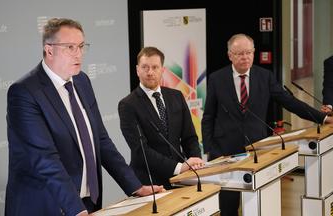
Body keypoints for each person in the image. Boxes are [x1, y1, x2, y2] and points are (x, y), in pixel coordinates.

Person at [4, 18, 164, 216]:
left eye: (81, 46)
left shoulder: (82, 81)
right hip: (47, 206)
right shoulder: (25, 92)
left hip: (87, 203)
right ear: (49, 50)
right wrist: (77, 210)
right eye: (70, 47)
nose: (78, 54)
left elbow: (102, 141)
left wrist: (135, 186)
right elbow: (44, 159)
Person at [201, 33, 333, 216]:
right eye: (239, 53)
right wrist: (211, 150)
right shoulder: (217, 79)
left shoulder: (265, 76)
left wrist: (323, 118)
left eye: (248, 52)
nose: (245, 57)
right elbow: (208, 117)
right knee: (229, 206)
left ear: (254, 53)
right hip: (225, 152)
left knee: (259, 203)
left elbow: (290, 102)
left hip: (259, 149)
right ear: (230, 55)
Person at [118, 46, 204, 190]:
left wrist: (196, 162)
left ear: (163, 70)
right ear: (137, 70)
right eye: (145, 67)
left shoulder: (176, 96)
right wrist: (178, 167)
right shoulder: (128, 105)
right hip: (149, 182)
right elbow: (140, 150)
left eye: (155, 67)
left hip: (182, 178)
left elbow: (189, 137)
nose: (150, 72)